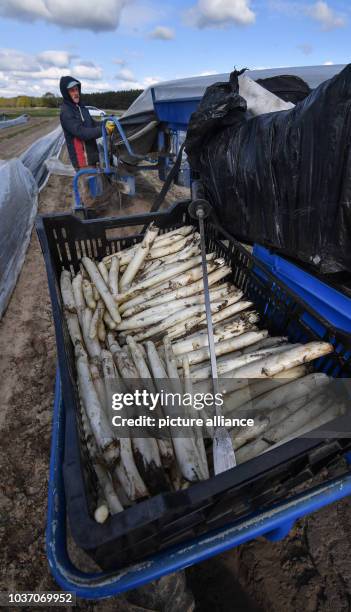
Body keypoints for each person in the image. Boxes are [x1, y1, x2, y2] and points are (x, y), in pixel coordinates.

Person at [59, 75, 115, 210]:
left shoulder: (81, 107)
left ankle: (94, 210)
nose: (76, 92)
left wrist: (105, 123)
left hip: (92, 155)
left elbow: (91, 124)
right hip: (81, 158)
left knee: (95, 187)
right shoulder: (66, 112)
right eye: (72, 90)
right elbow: (82, 133)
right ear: (65, 93)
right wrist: (104, 131)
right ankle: (86, 217)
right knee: (87, 191)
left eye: (77, 89)